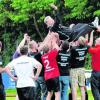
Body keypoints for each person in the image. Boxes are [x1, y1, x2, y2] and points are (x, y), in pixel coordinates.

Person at [70, 31, 93, 100]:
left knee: (74, 87)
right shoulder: (86, 47)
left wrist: (71, 44)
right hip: (82, 69)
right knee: (82, 87)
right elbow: (90, 42)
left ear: (78, 42)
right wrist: (90, 32)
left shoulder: (73, 49)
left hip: (74, 70)